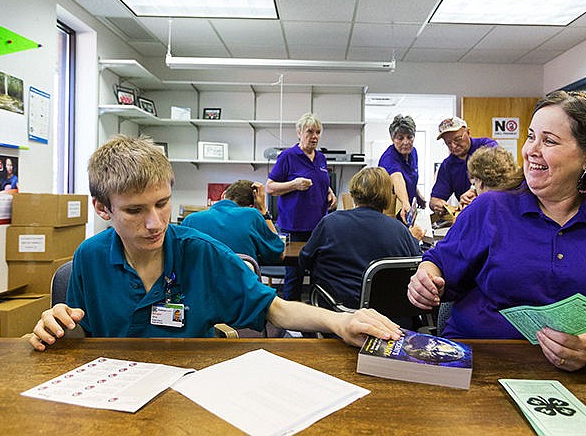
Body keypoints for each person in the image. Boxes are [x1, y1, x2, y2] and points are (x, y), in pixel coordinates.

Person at [29, 135, 402, 351]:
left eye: (162, 204)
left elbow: (277, 310)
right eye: (135, 211)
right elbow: (80, 335)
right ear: (102, 208)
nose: (155, 223)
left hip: (191, 388)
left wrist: (340, 322)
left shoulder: (201, 252)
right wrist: (56, 325)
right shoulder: (89, 258)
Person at [408, 90, 586, 372]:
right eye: (531, 137)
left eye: (549, 141)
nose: (530, 151)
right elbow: (438, 263)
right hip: (480, 365)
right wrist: (426, 276)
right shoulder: (491, 208)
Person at [299, 167, 422, 310]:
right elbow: (417, 267)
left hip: (338, 315)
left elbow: (305, 261)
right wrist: (413, 239)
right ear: (388, 195)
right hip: (388, 320)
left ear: (354, 192)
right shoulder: (400, 231)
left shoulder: (329, 223)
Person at [266, 113, 337, 300]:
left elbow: (320, 179)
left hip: (319, 227)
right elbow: (270, 187)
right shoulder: (287, 156)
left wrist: (329, 191)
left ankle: (317, 318)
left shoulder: (321, 157)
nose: (314, 136)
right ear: (299, 133)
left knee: (319, 275)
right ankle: (293, 325)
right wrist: (294, 185)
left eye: (318, 132)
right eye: (310, 131)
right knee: (294, 276)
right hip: (295, 227)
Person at [181, 179, 285, 265]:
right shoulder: (252, 215)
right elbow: (279, 255)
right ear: (251, 206)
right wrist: (263, 211)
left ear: (223, 195)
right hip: (241, 288)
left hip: (200, 288)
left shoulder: (190, 220)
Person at [429, 117, 496, 215]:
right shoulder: (447, 166)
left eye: (457, 139)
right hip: (471, 214)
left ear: (468, 132)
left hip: (494, 210)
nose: (453, 146)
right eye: (448, 143)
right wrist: (437, 204)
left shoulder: (487, 146)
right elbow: (435, 199)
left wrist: (474, 190)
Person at [378, 114, 425, 223]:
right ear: (393, 139)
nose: (406, 142)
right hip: (391, 212)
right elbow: (397, 178)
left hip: (407, 209)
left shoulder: (413, 152)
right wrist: (405, 202)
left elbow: (410, 178)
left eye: (409, 137)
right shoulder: (389, 158)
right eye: (400, 138)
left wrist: (417, 195)